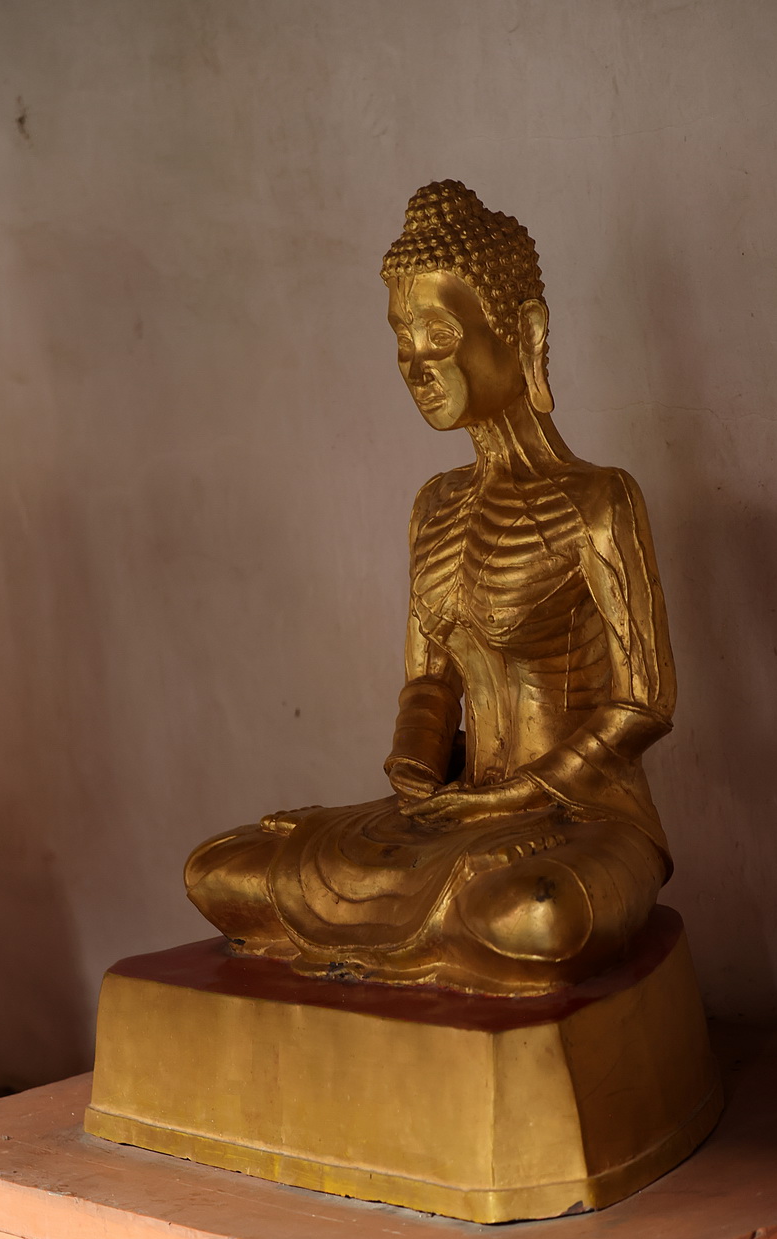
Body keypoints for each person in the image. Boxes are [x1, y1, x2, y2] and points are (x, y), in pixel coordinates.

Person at [185, 180, 676, 995]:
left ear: (524, 332)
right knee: (222, 869)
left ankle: (441, 921)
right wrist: (415, 768)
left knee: (535, 914)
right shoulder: (435, 506)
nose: (417, 362)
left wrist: (518, 794)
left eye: (439, 332)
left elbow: (645, 702)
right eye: (401, 337)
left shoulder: (599, 501)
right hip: (455, 810)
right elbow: (428, 681)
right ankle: (415, 922)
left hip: (579, 816)